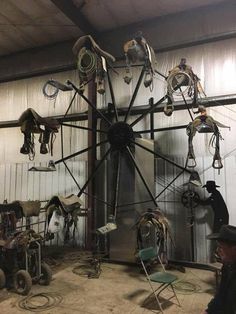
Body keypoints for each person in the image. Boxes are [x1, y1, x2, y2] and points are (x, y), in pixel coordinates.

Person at [202, 224, 236, 314]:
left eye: (221, 247)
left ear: (234, 249)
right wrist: (208, 310)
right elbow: (221, 293)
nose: (217, 251)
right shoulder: (227, 266)